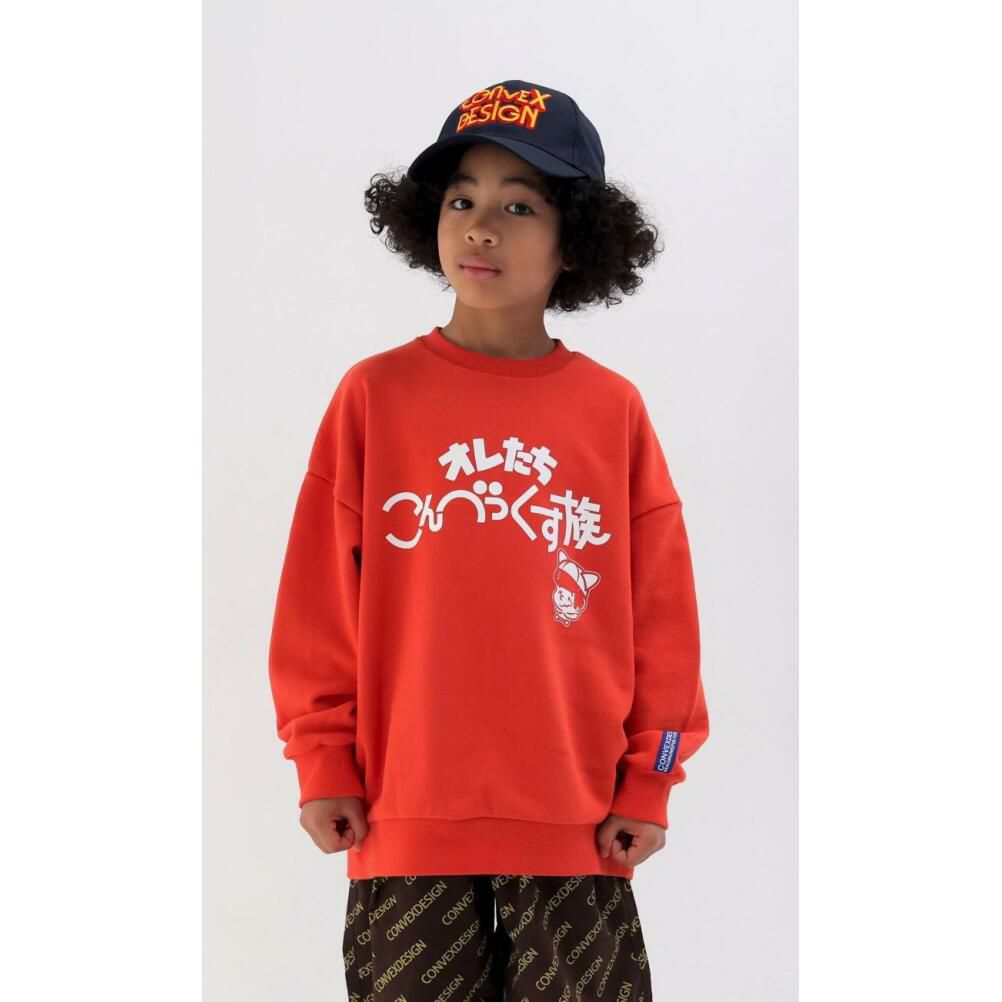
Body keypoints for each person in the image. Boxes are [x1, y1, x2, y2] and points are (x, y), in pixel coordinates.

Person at [268, 79, 710, 1002]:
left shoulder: (611, 411)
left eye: (519, 206)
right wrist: (322, 763)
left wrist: (652, 780)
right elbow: (317, 608)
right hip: (404, 814)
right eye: (461, 201)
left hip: (578, 821)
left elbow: (664, 619)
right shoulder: (375, 397)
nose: (480, 229)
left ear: (574, 239)